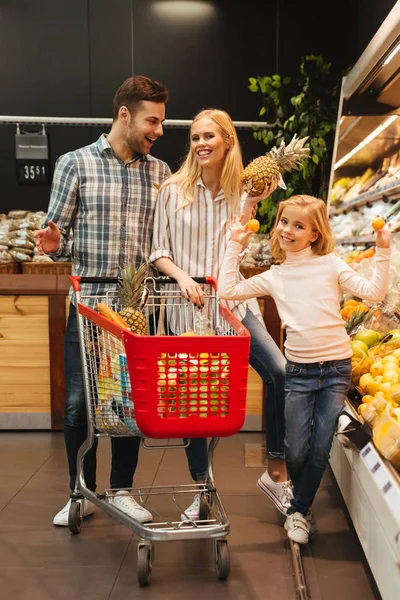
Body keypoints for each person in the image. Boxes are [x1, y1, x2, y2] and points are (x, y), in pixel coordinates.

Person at [34, 75, 171, 526]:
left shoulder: (161, 173)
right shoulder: (74, 164)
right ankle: (80, 491)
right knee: (79, 404)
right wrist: (56, 245)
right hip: (89, 310)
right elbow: (59, 237)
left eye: (162, 122)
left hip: (140, 312)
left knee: (131, 405)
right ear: (125, 115)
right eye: (152, 121)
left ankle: (124, 490)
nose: (159, 131)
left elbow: (164, 244)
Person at [218, 195, 391, 544]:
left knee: (319, 447)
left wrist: (383, 249)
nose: (287, 230)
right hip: (299, 371)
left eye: (298, 225)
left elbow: (374, 293)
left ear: (315, 234)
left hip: (337, 369)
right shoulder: (276, 275)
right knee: (295, 449)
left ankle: (298, 510)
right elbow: (227, 290)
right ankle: (301, 498)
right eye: (284, 222)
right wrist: (235, 246)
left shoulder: (330, 265)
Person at [149, 108, 290, 521]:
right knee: (195, 404)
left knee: (279, 372)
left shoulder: (242, 192)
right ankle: (202, 489)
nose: (201, 144)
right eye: (195, 138)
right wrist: (182, 279)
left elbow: (240, 245)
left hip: (233, 307)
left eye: (209, 136)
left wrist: (255, 200)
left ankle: (277, 471)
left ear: (228, 140)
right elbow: (158, 250)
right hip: (186, 310)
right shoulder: (174, 191)